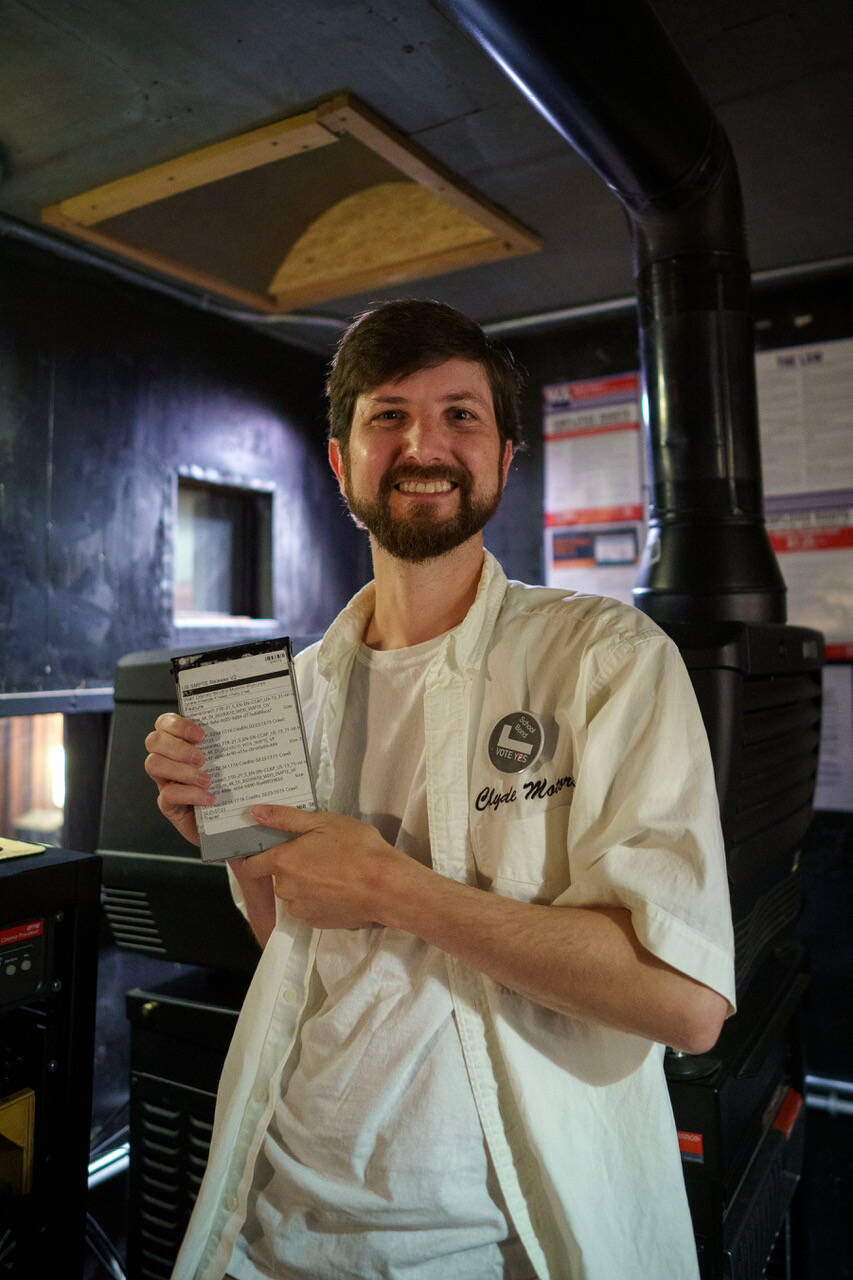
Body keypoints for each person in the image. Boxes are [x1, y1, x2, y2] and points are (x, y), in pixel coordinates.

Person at [144, 300, 735, 1280]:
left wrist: (393, 887)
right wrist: (233, 840)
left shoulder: (604, 657)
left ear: (506, 455)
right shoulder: (293, 689)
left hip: (490, 1241)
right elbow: (305, 949)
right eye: (388, 416)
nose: (423, 445)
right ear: (339, 461)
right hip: (277, 1217)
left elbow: (683, 1002)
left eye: (460, 414)